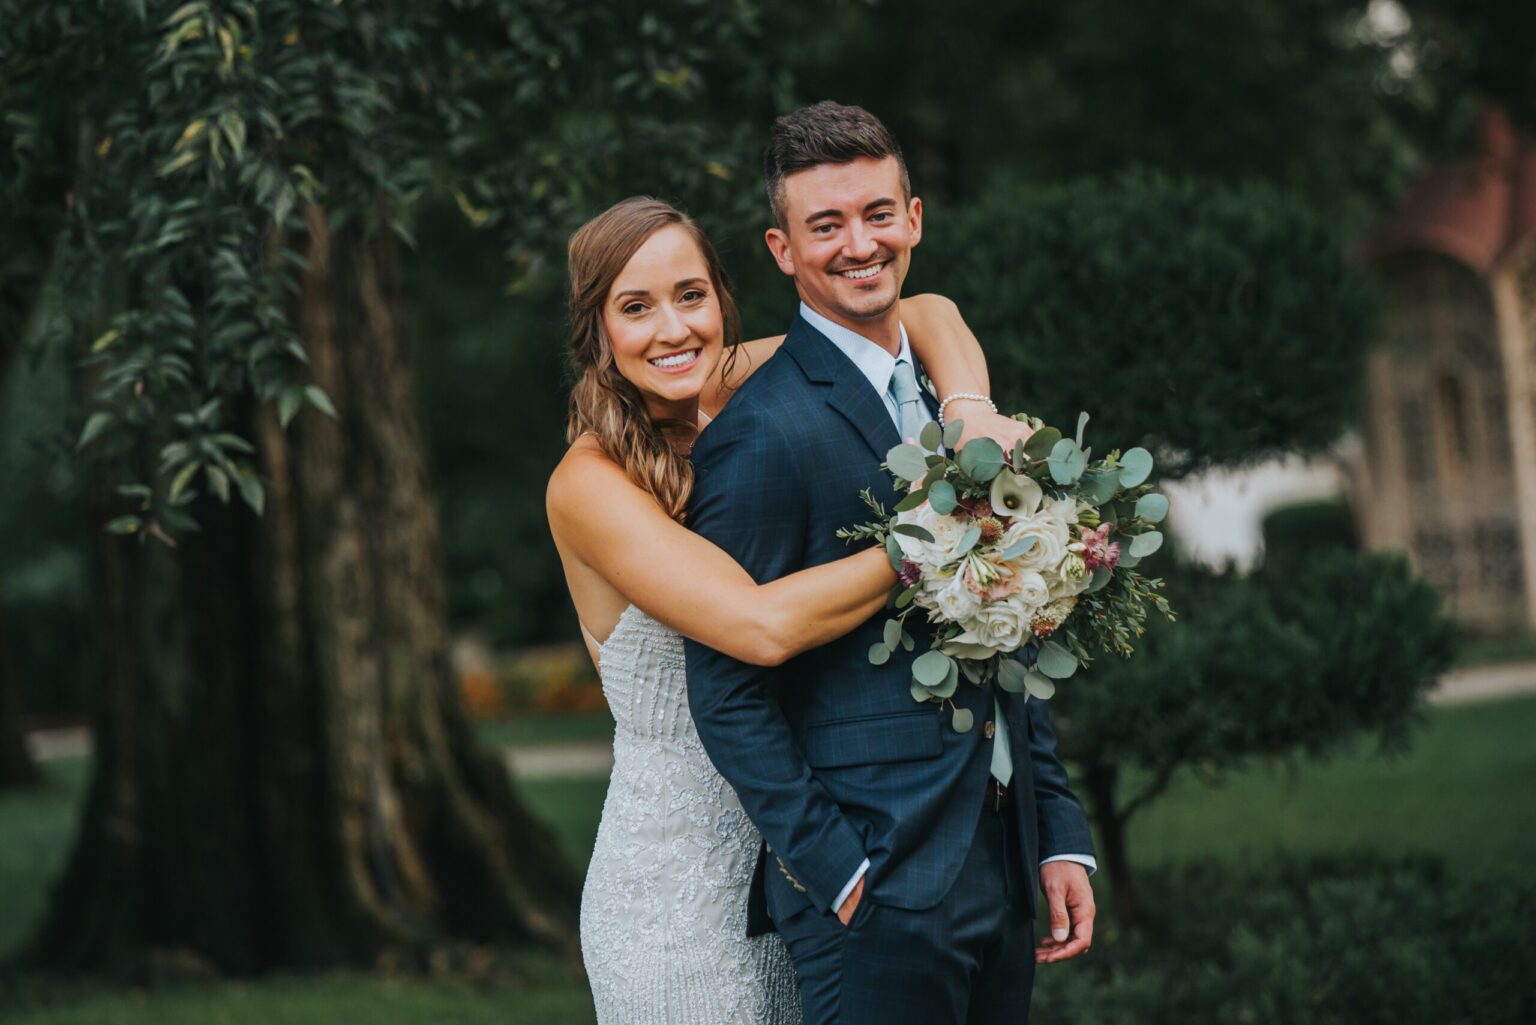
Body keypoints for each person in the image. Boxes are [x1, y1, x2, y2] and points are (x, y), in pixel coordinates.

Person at [546, 195, 1032, 1024]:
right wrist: (940, 526)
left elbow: (927, 312)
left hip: (806, 851)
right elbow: (761, 626)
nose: (672, 329)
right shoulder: (589, 485)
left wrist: (968, 414)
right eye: (636, 307)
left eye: (690, 295)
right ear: (596, 331)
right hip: (681, 892)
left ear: (722, 300)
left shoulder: (735, 381)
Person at [683, 102, 1098, 1025]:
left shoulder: (962, 410)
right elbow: (722, 685)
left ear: (914, 219)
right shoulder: (761, 435)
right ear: (782, 249)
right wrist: (833, 866)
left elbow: (1006, 625)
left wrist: (1058, 835)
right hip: (874, 887)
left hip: (1001, 860)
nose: (857, 243)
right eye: (824, 225)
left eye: (877, 213)